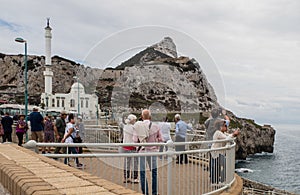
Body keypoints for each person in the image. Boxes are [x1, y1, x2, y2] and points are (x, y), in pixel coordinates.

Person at [133, 109, 163, 195]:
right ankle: (154, 193)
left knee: (142, 173)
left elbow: (135, 140)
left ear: (142, 117)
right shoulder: (156, 126)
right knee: (154, 173)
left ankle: (145, 193)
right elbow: (161, 139)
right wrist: (156, 146)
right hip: (152, 151)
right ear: (150, 117)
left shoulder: (138, 126)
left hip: (142, 152)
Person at [210, 120, 239, 184]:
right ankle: (218, 181)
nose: (226, 127)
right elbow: (227, 139)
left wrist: (234, 135)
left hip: (218, 153)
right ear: (221, 127)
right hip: (216, 153)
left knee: (217, 167)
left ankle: (217, 181)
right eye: (225, 126)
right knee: (221, 166)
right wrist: (234, 134)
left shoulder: (223, 133)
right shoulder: (218, 132)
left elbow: (229, 136)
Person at [122, 114, 139, 184]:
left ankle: (126, 177)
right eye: (134, 120)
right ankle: (134, 178)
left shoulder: (125, 127)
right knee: (134, 163)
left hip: (126, 146)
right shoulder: (134, 127)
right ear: (132, 120)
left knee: (126, 162)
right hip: (133, 146)